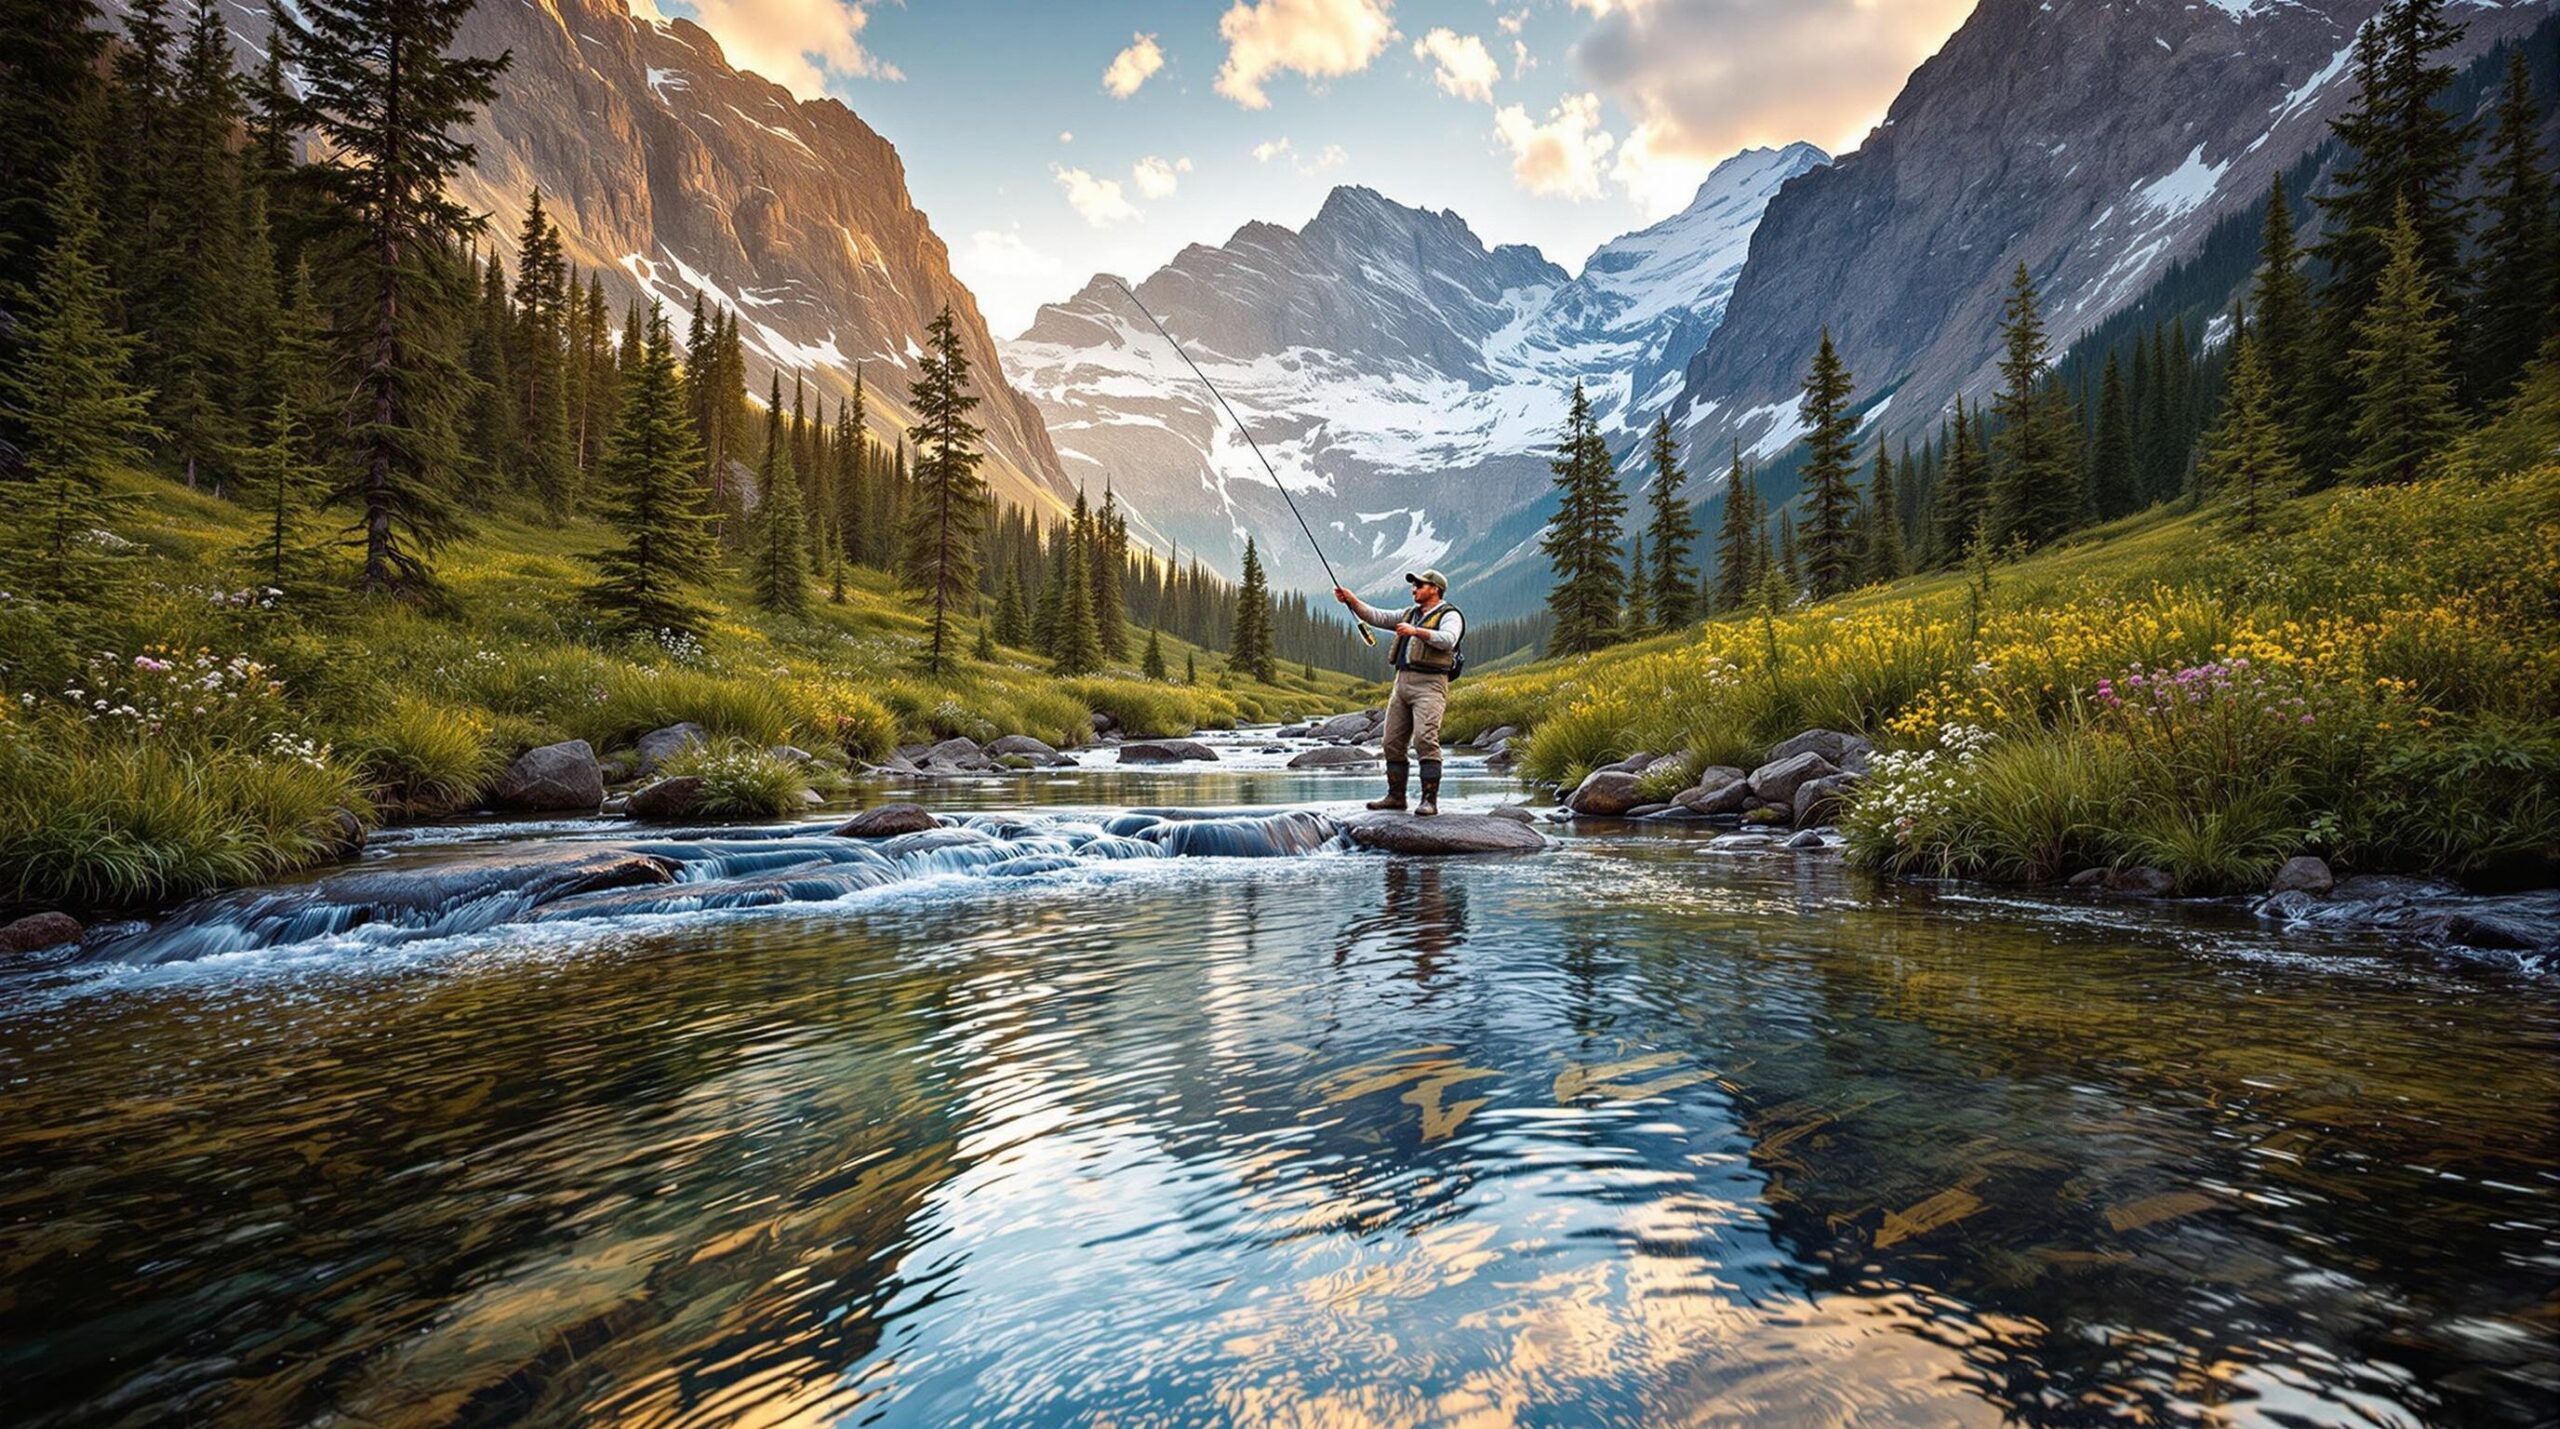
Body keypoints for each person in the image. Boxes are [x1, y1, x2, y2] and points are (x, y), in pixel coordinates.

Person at [1333, 568, 1463, 817]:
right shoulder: (1409, 614)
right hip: (1401, 683)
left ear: (1435, 589)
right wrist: (1352, 600)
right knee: (1391, 742)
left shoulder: (1450, 615)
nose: (1413, 589)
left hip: (1431, 684)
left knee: (1425, 739)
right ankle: (1395, 797)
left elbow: (1448, 640)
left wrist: (1416, 632)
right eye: (1413, 585)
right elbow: (1376, 616)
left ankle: (1429, 801)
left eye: (1419, 585)